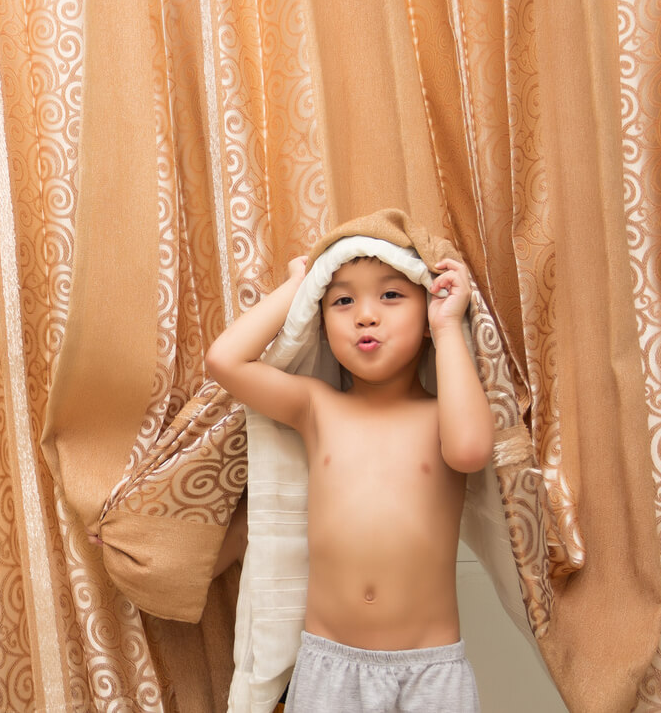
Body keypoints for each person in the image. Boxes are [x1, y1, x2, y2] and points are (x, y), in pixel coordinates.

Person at [205, 238, 494, 712]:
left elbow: (469, 451)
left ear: (426, 311)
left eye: (391, 296)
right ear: (320, 322)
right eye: (342, 300)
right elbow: (225, 361)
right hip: (330, 666)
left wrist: (446, 328)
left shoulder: (442, 417)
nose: (365, 315)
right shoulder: (317, 407)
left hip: (430, 670)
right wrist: (299, 286)